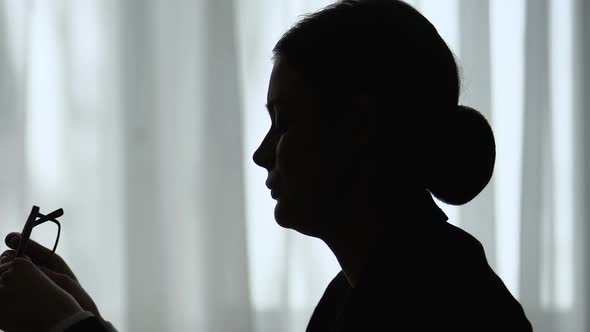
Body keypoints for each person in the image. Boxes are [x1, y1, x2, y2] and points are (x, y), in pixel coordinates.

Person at [0, 0, 533, 331]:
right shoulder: (374, 288)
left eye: (285, 121)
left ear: (360, 127)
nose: (261, 152)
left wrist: (67, 327)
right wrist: (82, 319)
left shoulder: (436, 306)